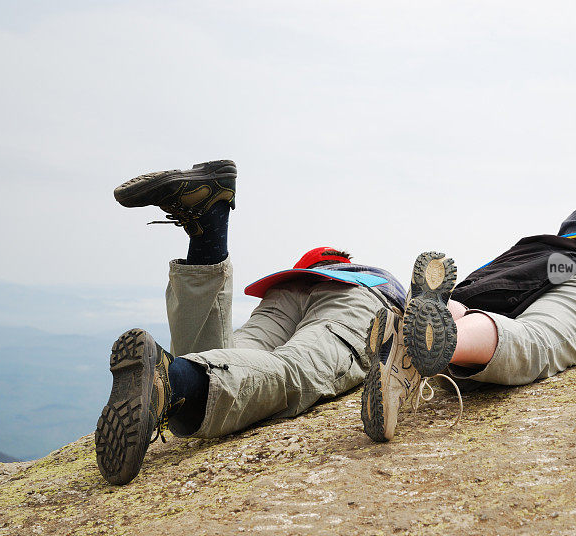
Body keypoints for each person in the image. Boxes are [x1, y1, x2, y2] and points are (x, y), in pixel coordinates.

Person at [361, 148, 576, 442]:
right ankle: (436, 341)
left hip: (534, 259)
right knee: (536, 339)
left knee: (483, 306)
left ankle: (438, 314)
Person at [95, 160, 405, 485]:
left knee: (224, 352)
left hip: (283, 288)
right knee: (296, 367)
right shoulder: (368, 275)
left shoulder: (295, 281)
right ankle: (169, 382)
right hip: (362, 294)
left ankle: (209, 228)